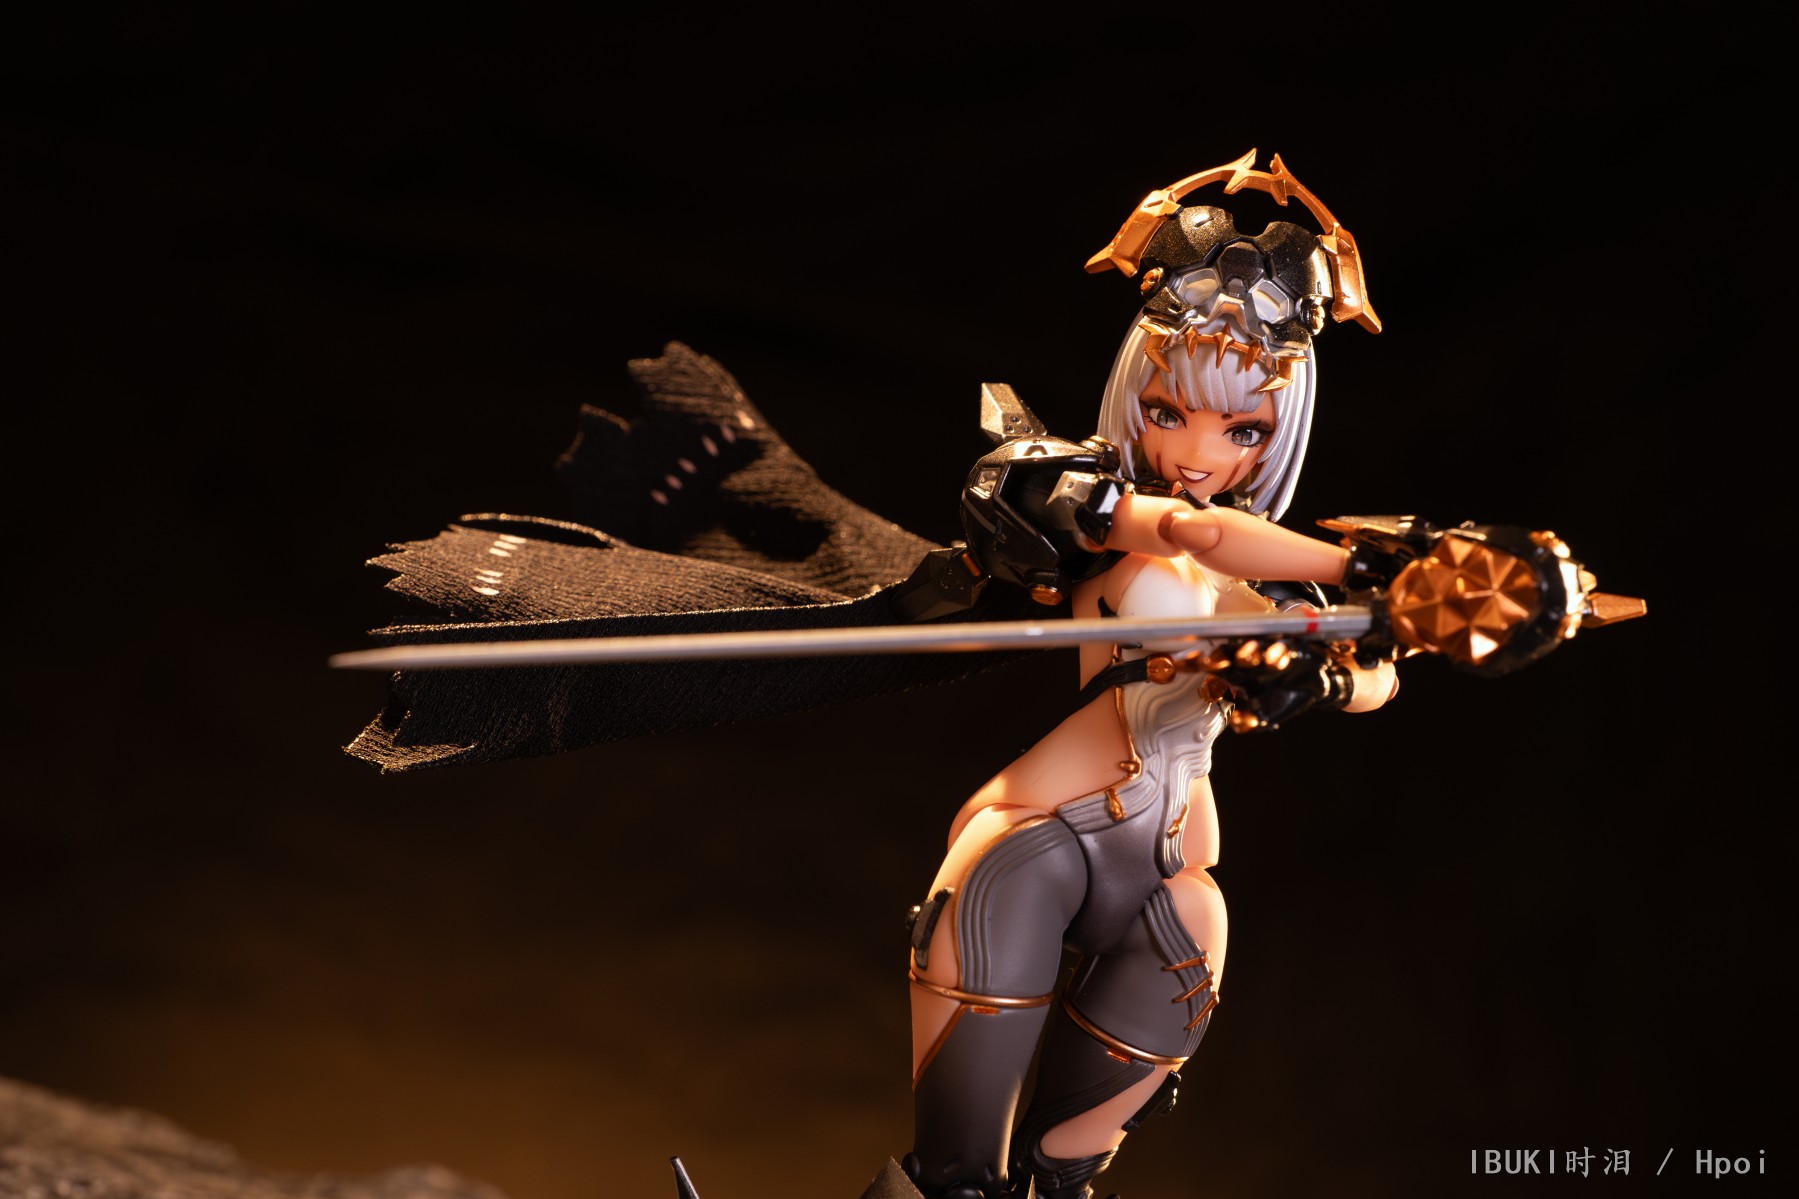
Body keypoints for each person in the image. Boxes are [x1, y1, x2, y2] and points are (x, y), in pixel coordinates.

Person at [894, 157, 1396, 1199]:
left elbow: (1375, 667)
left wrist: (1327, 677)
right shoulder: (1089, 505)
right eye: (1169, 412)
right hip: (1034, 846)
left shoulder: (1265, 582)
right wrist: (1365, 564)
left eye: (1242, 429)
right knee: (955, 1182)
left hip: (1167, 874)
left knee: (1065, 1175)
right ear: (1134, 395)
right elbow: (1195, 531)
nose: (1199, 452)